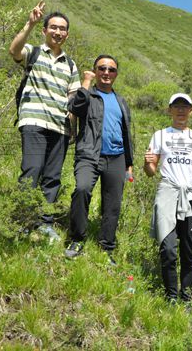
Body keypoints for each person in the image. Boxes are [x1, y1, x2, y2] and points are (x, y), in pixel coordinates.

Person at [8, 0, 80, 240]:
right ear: (45, 30)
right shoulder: (34, 52)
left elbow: (72, 98)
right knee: (32, 170)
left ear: (67, 34)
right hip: (34, 121)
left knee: (52, 176)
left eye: (62, 29)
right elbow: (14, 51)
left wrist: (72, 129)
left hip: (60, 128)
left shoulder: (71, 65)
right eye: (53, 27)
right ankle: (22, 219)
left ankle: (44, 222)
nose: (58, 32)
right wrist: (29, 23)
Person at [64, 55, 133, 264]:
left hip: (117, 158)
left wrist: (129, 164)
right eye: (102, 68)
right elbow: (75, 107)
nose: (106, 73)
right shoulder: (89, 95)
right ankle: (77, 239)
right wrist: (85, 83)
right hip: (89, 154)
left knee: (113, 204)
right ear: (95, 71)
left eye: (111, 69)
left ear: (116, 74)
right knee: (82, 189)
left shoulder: (121, 101)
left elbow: (127, 133)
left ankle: (106, 248)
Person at [144, 93, 192, 303]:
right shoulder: (160, 136)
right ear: (170, 110)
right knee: (168, 248)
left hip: (190, 196)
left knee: (189, 250)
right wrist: (147, 162)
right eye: (177, 106)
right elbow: (150, 171)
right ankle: (171, 295)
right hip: (168, 194)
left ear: (191, 111)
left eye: (185, 107)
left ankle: (187, 297)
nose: (181, 110)